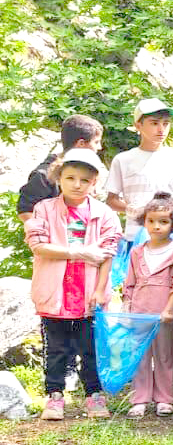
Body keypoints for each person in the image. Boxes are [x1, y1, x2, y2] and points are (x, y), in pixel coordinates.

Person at [26, 149, 121, 421]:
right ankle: (54, 396)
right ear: (59, 179)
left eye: (84, 180)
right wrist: (79, 253)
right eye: (70, 178)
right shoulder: (43, 209)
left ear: (94, 183)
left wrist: (102, 288)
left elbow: (108, 254)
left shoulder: (104, 213)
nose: (77, 185)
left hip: (87, 292)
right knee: (55, 348)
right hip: (54, 291)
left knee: (90, 347)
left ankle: (94, 395)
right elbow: (38, 246)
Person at [122, 194, 173, 418]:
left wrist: (169, 308)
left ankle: (164, 398)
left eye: (163, 221)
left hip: (164, 314)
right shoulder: (137, 251)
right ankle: (139, 398)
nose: (156, 226)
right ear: (144, 222)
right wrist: (127, 308)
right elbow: (128, 284)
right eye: (151, 221)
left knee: (165, 356)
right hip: (139, 312)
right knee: (139, 356)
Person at [107, 98, 173, 214]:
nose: (161, 130)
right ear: (138, 126)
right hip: (136, 229)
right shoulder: (123, 160)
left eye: (165, 124)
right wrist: (134, 210)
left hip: (172, 228)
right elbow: (111, 200)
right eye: (154, 123)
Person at [18, 115, 103, 222]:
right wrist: (46, 233)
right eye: (96, 142)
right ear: (81, 143)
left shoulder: (92, 170)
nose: (99, 147)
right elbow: (25, 211)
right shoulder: (43, 175)